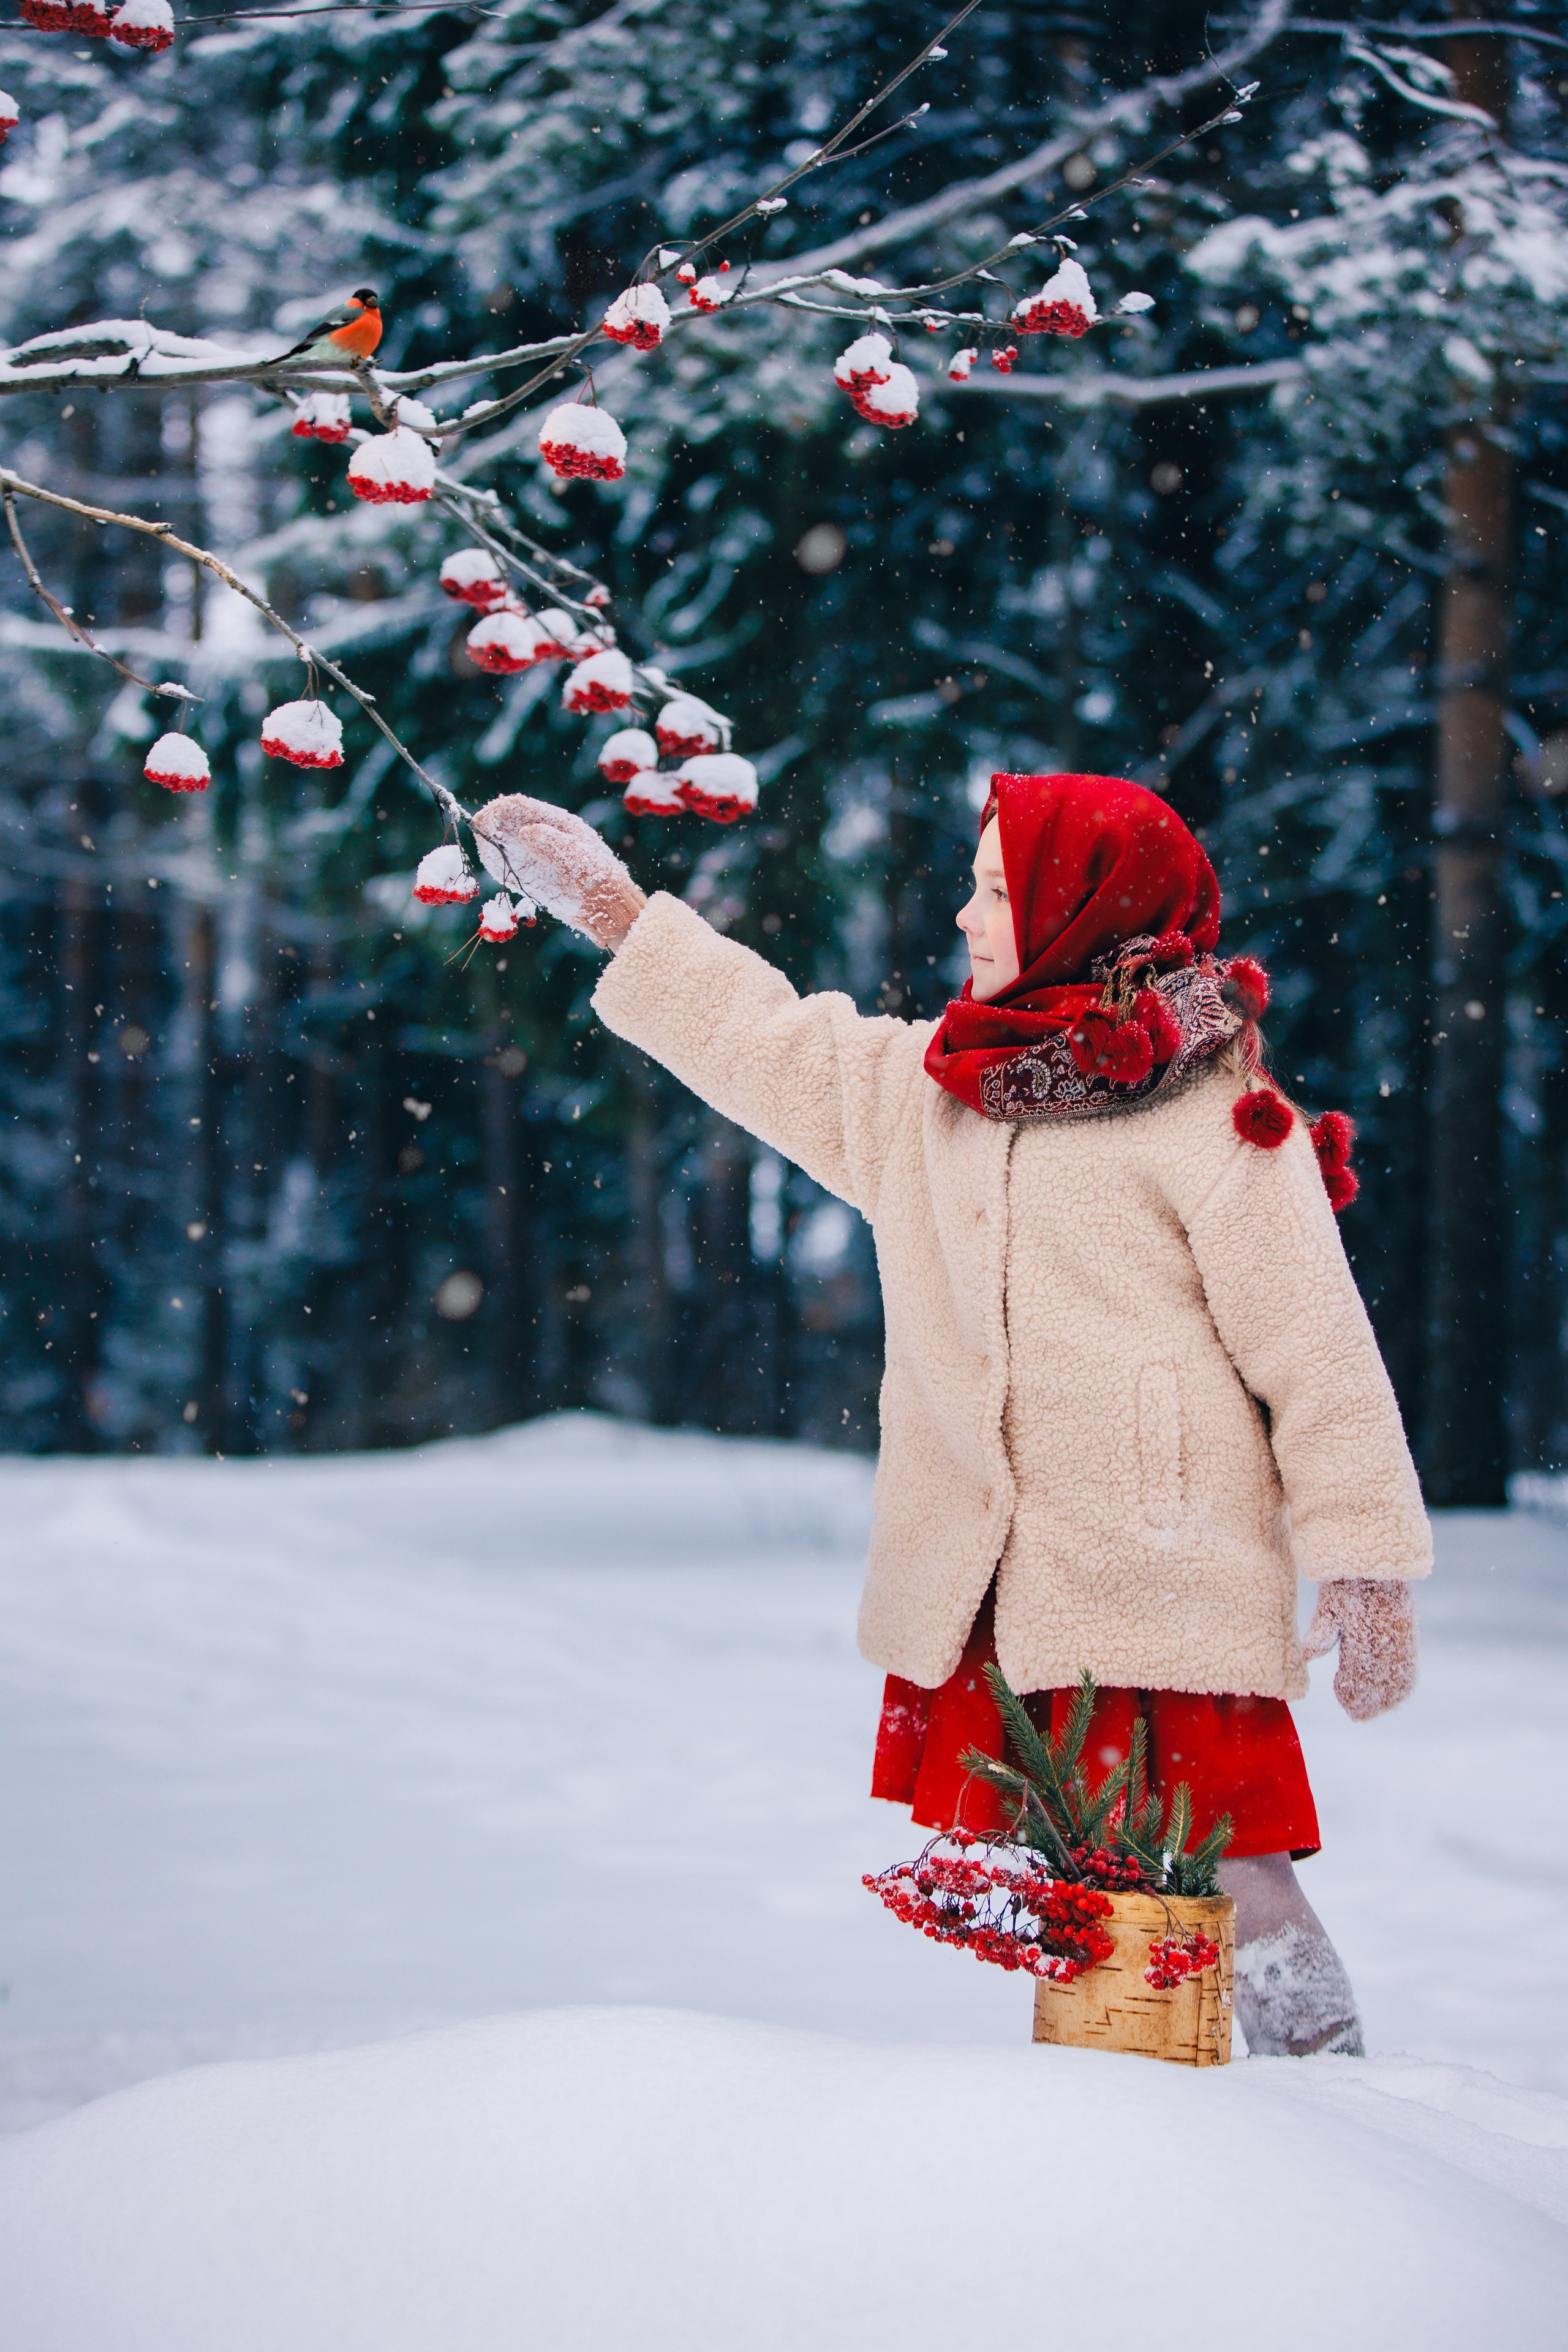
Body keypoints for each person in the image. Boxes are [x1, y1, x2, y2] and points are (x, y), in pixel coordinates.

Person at [472, 770, 1431, 2059]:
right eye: (973, 886)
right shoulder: (924, 1092)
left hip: (1161, 1571)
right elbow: (764, 1039)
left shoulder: (1218, 1118)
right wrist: (614, 912)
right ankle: (1133, 2115)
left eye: (997, 891)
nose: (969, 917)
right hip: (1007, 1577)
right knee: (1077, 1880)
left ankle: (1333, 2090)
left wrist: (1365, 1562)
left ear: (1085, 910)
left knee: (1228, 1868)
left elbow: (1315, 1350)